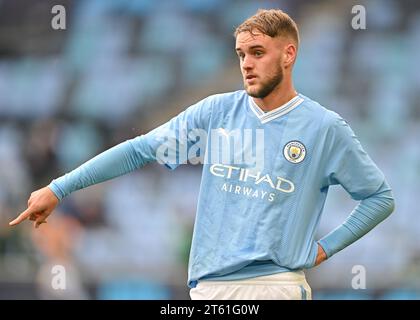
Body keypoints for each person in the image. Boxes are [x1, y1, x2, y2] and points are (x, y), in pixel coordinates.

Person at [9, 9, 395, 300]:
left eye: (258, 52)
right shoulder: (215, 113)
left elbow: (379, 198)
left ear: (289, 54)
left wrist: (326, 248)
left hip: (273, 286)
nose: (246, 63)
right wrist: (60, 188)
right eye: (241, 53)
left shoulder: (323, 127)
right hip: (208, 289)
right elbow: (140, 150)